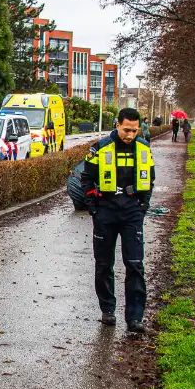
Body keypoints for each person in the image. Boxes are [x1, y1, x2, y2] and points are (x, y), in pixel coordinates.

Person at [79, 107, 155, 333]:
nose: (130, 135)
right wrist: (94, 209)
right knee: (104, 264)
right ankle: (108, 309)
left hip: (132, 212)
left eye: (134, 130)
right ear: (117, 125)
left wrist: (143, 206)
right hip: (106, 211)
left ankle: (134, 317)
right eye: (126, 130)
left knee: (135, 264)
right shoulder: (100, 148)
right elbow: (86, 180)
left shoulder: (143, 148)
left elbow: (149, 179)